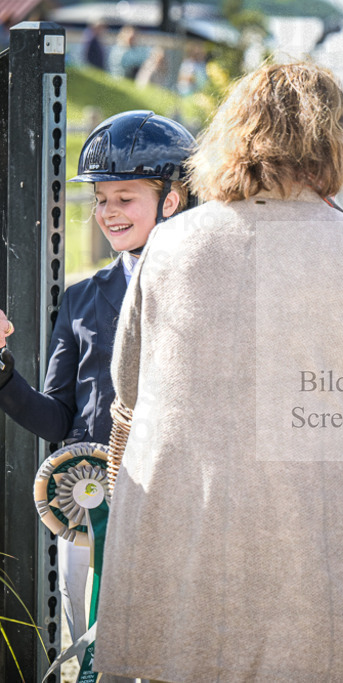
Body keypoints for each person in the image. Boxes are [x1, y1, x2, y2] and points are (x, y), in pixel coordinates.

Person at [92, 63, 343, 682]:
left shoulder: (167, 243)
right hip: (297, 543)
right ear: (329, 145)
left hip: (174, 540)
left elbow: (126, 385)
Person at [0, 110, 193, 647]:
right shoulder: (82, 299)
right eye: (101, 200)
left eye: (124, 198)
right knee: (90, 651)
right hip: (91, 510)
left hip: (177, 509)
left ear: (171, 199)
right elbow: (57, 417)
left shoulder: (207, 293)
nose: (108, 213)